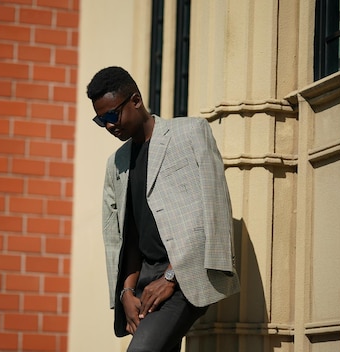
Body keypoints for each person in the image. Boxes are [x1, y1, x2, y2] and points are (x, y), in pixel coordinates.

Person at [87, 66, 240, 352]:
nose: (109, 125)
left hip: (185, 275)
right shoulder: (117, 163)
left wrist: (172, 277)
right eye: (100, 120)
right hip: (143, 280)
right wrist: (126, 292)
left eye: (111, 115)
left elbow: (213, 208)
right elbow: (126, 235)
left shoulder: (191, 133)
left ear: (135, 100)